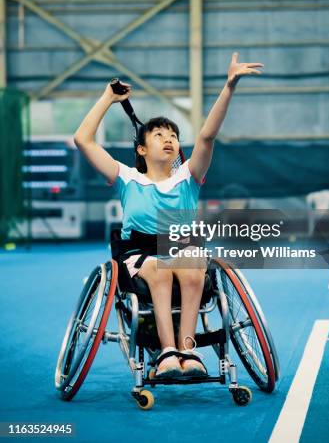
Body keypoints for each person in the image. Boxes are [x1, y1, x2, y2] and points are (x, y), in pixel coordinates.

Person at [73, 53, 263, 378]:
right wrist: (108, 97)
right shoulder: (125, 176)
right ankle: (167, 354)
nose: (169, 140)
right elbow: (83, 140)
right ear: (142, 150)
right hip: (138, 252)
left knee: (192, 269)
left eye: (173, 136)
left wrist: (230, 85)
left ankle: (188, 351)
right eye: (159, 135)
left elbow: (206, 136)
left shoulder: (188, 176)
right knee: (159, 272)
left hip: (181, 246)